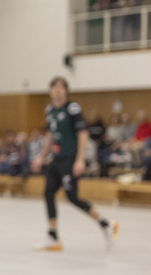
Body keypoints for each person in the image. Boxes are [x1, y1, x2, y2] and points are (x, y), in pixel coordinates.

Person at [32, 77, 118, 251]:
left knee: (73, 198)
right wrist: (41, 157)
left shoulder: (72, 109)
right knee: (48, 193)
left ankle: (106, 223)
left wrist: (80, 159)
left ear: (65, 90)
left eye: (61, 87)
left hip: (70, 159)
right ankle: (53, 236)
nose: (57, 90)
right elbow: (49, 135)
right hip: (56, 159)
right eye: (54, 87)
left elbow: (83, 134)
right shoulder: (50, 111)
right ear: (50, 91)